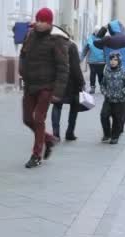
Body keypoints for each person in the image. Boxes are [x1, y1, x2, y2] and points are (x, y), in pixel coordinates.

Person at [19, 7, 69, 168]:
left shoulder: (57, 40)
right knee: (27, 119)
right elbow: (23, 55)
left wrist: (57, 92)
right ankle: (49, 139)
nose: (39, 24)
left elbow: (63, 68)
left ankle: (36, 155)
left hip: (47, 86)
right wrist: (22, 71)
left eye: (43, 21)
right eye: (38, 20)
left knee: (38, 119)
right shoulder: (30, 35)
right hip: (30, 85)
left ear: (49, 23)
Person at [53, 26, 85, 141]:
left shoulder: (54, 45)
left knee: (57, 106)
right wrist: (81, 82)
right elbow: (76, 67)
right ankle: (70, 133)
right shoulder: (72, 46)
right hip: (72, 82)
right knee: (74, 107)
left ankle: (55, 134)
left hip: (57, 81)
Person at [100, 52, 125, 144]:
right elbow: (103, 85)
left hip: (119, 101)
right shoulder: (107, 72)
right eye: (111, 59)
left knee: (117, 119)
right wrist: (105, 93)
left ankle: (115, 136)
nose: (112, 62)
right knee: (103, 116)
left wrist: (122, 93)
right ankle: (107, 134)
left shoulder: (123, 72)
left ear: (119, 61)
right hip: (108, 99)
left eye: (115, 60)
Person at [81, 26, 105, 94]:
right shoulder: (90, 38)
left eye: (98, 31)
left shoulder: (103, 38)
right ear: (94, 31)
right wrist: (81, 58)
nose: (97, 32)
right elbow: (85, 49)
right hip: (92, 60)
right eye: (96, 31)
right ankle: (92, 87)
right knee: (92, 74)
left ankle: (102, 87)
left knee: (100, 75)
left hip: (101, 61)